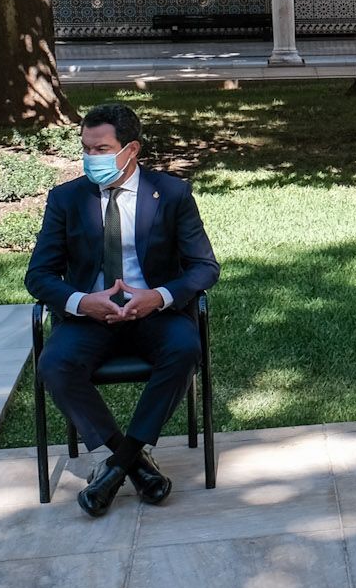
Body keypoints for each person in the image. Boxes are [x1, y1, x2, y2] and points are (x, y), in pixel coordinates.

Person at [27, 101, 219, 518]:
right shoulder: (66, 199)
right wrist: (83, 302)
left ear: (131, 149)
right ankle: (129, 460)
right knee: (54, 364)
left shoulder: (171, 194)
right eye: (85, 148)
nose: (90, 158)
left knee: (185, 349)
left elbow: (205, 267)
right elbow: (38, 276)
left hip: (154, 314)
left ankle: (117, 464)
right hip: (91, 317)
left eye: (101, 149)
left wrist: (158, 296)